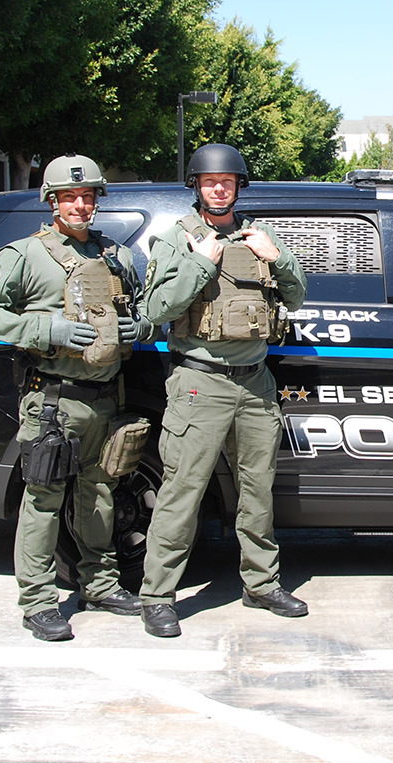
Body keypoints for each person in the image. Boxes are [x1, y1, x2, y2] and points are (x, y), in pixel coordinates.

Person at [0, 153, 151, 641]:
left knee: (100, 495)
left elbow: (142, 309)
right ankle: (38, 602)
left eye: (87, 196)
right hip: (53, 400)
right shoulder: (23, 256)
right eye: (69, 197)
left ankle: (101, 585)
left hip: (105, 399)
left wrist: (140, 327)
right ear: (52, 202)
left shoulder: (115, 255)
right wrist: (47, 329)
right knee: (44, 501)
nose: (80, 205)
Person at [139, 143, 308, 638]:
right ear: (196, 186)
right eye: (210, 182)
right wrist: (200, 265)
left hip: (255, 382)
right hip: (200, 382)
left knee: (258, 490)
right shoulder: (177, 239)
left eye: (227, 182)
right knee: (183, 491)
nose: (218, 189)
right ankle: (157, 596)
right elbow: (155, 310)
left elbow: (297, 297)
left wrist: (277, 258)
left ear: (238, 187)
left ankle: (262, 583)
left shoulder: (260, 236)